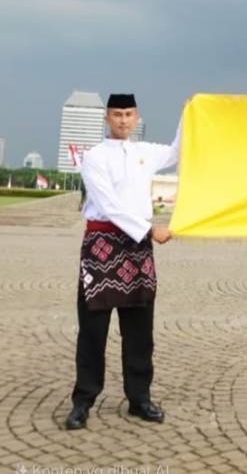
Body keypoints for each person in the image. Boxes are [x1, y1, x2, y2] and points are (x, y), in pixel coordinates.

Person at [64, 94, 180, 430]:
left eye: (129, 114)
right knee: (93, 329)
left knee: (140, 329)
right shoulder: (94, 157)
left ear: (136, 117)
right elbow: (109, 205)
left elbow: (177, 151)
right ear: (107, 118)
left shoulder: (145, 152)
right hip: (102, 246)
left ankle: (139, 398)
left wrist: (189, 114)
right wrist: (150, 230)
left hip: (137, 249)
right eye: (117, 114)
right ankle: (83, 401)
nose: (123, 120)